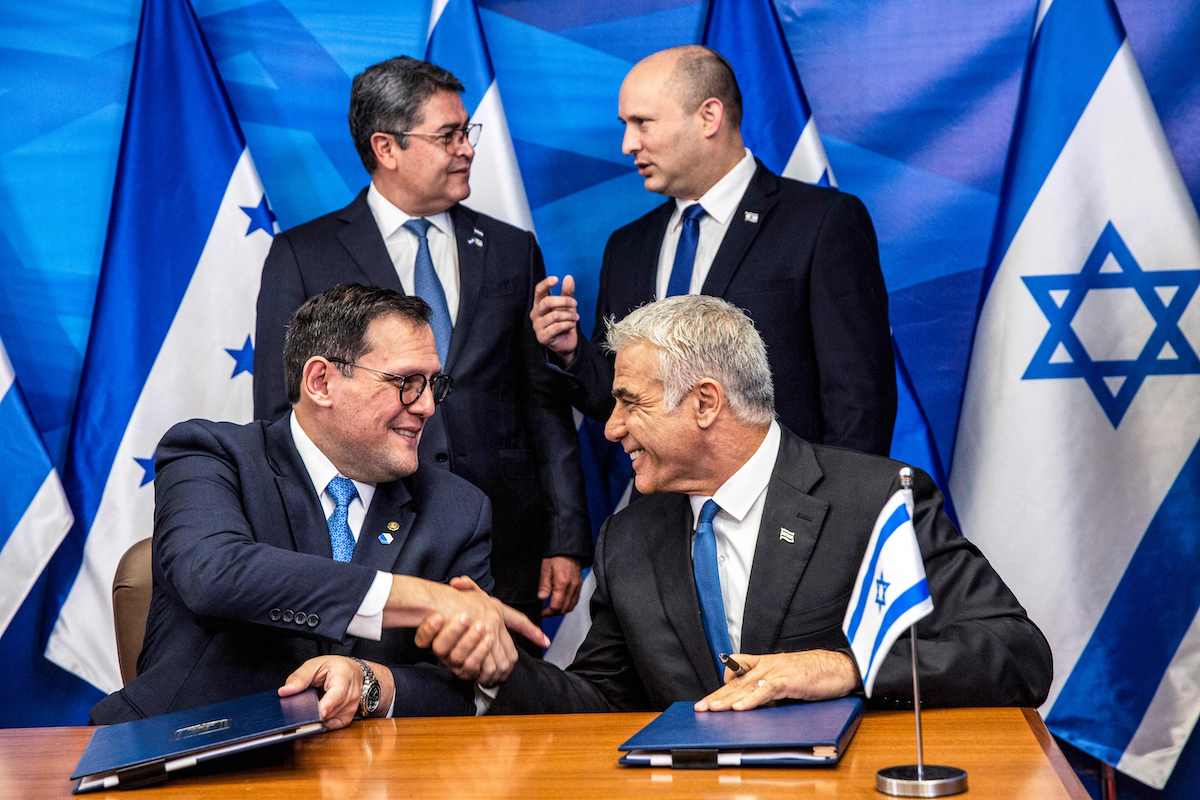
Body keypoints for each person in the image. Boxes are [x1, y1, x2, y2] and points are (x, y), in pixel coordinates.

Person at [478, 295, 1052, 714]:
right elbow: (601, 700)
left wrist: (845, 670)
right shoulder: (628, 537)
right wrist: (498, 666)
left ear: (705, 402)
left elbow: (1019, 655)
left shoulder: (874, 500)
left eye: (630, 403)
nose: (612, 428)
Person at [92, 285, 548, 726]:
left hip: (374, 776)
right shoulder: (210, 454)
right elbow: (215, 574)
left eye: (433, 384)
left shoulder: (457, 510)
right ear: (321, 381)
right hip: (187, 757)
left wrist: (374, 684)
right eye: (406, 382)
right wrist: (426, 600)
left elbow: (464, 691)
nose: (427, 406)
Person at [253, 56, 590, 626]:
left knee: (495, 699)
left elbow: (542, 405)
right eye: (449, 135)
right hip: (366, 536)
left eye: (468, 132)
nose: (467, 148)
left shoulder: (512, 249)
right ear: (386, 148)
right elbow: (281, 412)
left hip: (505, 536)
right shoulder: (303, 256)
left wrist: (565, 536)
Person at [531, 46, 896, 456]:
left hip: (785, 509)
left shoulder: (822, 222)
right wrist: (571, 352)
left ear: (709, 116)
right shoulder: (628, 247)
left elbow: (859, 400)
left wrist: (841, 512)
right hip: (660, 510)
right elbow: (613, 401)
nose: (627, 144)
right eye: (625, 125)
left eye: (642, 123)